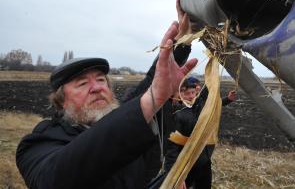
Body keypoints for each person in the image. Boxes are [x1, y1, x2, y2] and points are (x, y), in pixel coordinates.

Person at [16, 13, 197, 187]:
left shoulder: (121, 119)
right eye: (83, 83)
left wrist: (182, 39)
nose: (97, 87)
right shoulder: (37, 145)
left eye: (101, 80)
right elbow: (53, 179)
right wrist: (153, 98)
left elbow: (152, 80)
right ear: (62, 100)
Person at [164, 77, 237, 188]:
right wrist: (175, 177)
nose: (191, 96)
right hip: (186, 164)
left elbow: (214, 105)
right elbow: (172, 149)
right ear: (180, 95)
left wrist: (228, 99)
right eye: (187, 93)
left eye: (193, 92)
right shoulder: (177, 115)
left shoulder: (201, 105)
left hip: (204, 160)